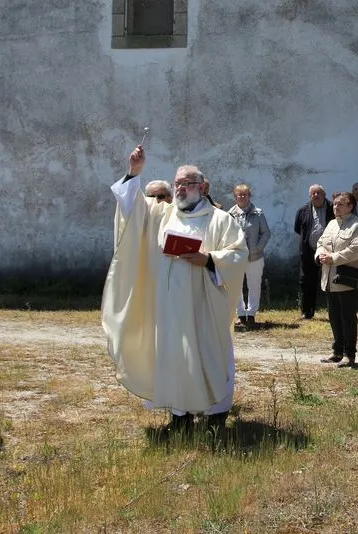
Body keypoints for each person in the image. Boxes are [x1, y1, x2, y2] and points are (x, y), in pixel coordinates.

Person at [103, 145, 248, 432]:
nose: (180, 189)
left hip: (203, 306)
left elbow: (238, 253)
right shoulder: (164, 215)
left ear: (202, 186)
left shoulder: (220, 220)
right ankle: (180, 418)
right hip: (168, 307)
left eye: (187, 183)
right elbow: (133, 211)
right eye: (177, 183)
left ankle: (215, 417)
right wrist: (134, 171)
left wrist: (207, 260)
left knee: (208, 355)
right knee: (173, 357)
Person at [315, 192, 358, 367]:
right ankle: (337, 351)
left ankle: (349, 354)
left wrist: (333, 258)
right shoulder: (331, 224)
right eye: (335, 204)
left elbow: (356, 250)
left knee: (348, 318)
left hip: (347, 280)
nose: (335, 207)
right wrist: (320, 256)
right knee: (334, 317)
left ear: (350, 206)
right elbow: (321, 243)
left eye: (340, 204)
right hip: (330, 278)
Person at [228, 184, 271, 329]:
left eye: (244, 194)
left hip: (255, 257)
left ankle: (251, 314)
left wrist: (258, 249)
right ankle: (240, 314)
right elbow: (226, 235)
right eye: (239, 195)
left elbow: (266, 233)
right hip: (236, 257)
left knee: (254, 285)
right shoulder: (229, 214)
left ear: (249, 196)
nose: (242, 197)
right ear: (235, 197)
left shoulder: (258, 213)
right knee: (236, 286)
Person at [294, 185, 333, 320]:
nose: (316, 195)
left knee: (331, 281)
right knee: (306, 282)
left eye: (319, 193)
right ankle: (307, 312)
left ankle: (333, 311)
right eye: (313, 193)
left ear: (324, 194)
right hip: (308, 252)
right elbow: (298, 228)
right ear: (310, 196)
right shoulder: (303, 210)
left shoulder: (332, 208)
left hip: (329, 252)